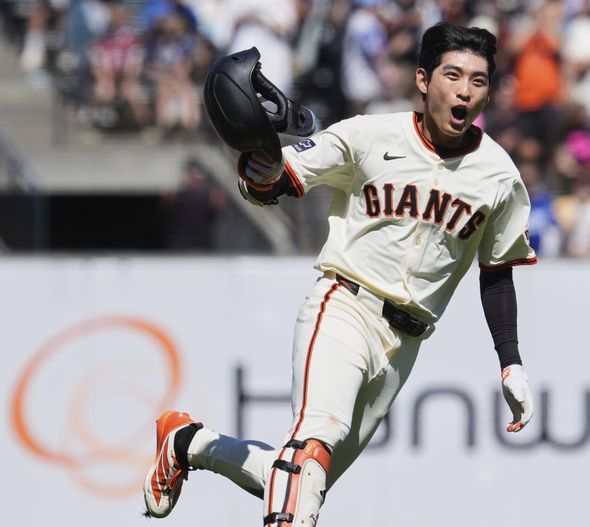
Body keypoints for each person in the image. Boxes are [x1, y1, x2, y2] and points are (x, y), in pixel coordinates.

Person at [143, 23, 537, 526]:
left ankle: (186, 441)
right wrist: (260, 160)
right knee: (308, 457)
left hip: (405, 344)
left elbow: (496, 270)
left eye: (478, 81)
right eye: (453, 75)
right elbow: (276, 180)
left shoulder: (499, 175)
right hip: (345, 305)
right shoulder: (370, 134)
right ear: (422, 79)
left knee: (296, 474)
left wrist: (511, 361)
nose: (465, 90)